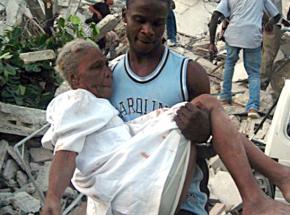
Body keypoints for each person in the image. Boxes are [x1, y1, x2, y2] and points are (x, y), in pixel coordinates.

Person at [111, 0, 290, 214]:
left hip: (180, 198)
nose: (148, 30)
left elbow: (212, 141)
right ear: (124, 16)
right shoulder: (108, 77)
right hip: (125, 196)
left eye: (157, 23)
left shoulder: (188, 74)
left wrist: (201, 131)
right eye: (139, 20)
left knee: (217, 101)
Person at [40, 38, 200, 215]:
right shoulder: (78, 100)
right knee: (203, 106)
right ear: (75, 80)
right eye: (96, 67)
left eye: (106, 65)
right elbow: (66, 151)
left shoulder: (97, 108)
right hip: (136, 192)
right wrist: (53, 197)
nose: (107, 72)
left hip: (125, 198)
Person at [208, 0, 281, 118]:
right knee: (254, 73)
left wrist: (211, 43)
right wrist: (269, 24)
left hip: (233, 35)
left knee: (229, 64)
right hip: (252, 37)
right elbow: (277, 15)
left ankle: (225, 98)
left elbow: (215, 16)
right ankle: (253, 107)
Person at [260, 0, 282, 90]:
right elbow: (276, 12)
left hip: (266, 23)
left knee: (264, 52)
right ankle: (262, 81)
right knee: (269, 54)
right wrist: (270, 22)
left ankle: (258, 78)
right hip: (272, 24)